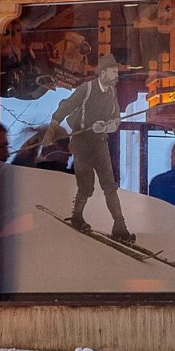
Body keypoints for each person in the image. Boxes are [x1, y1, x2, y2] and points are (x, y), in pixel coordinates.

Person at [47, 54, 132, 243]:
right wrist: (53, 127)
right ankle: (77, 216)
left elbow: (116, 120)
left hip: (100, 143)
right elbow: (66, 107)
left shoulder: (111, 92)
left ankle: (120, 226)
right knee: (86, 186)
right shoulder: (86, 89)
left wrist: (106, 127)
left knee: (110, 186)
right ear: (102, 73)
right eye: (113, 72)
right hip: (82, 143)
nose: (116, 75)